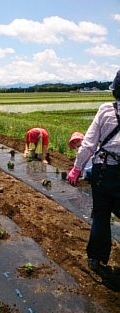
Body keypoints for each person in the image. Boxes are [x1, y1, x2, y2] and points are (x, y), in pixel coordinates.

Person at [68, 69, 120, 272]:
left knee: (101, 215)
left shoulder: (106, 110)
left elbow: (88, 144)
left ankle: (96, 259)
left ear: (114, 90)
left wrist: (76, 168)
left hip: (104, 171)